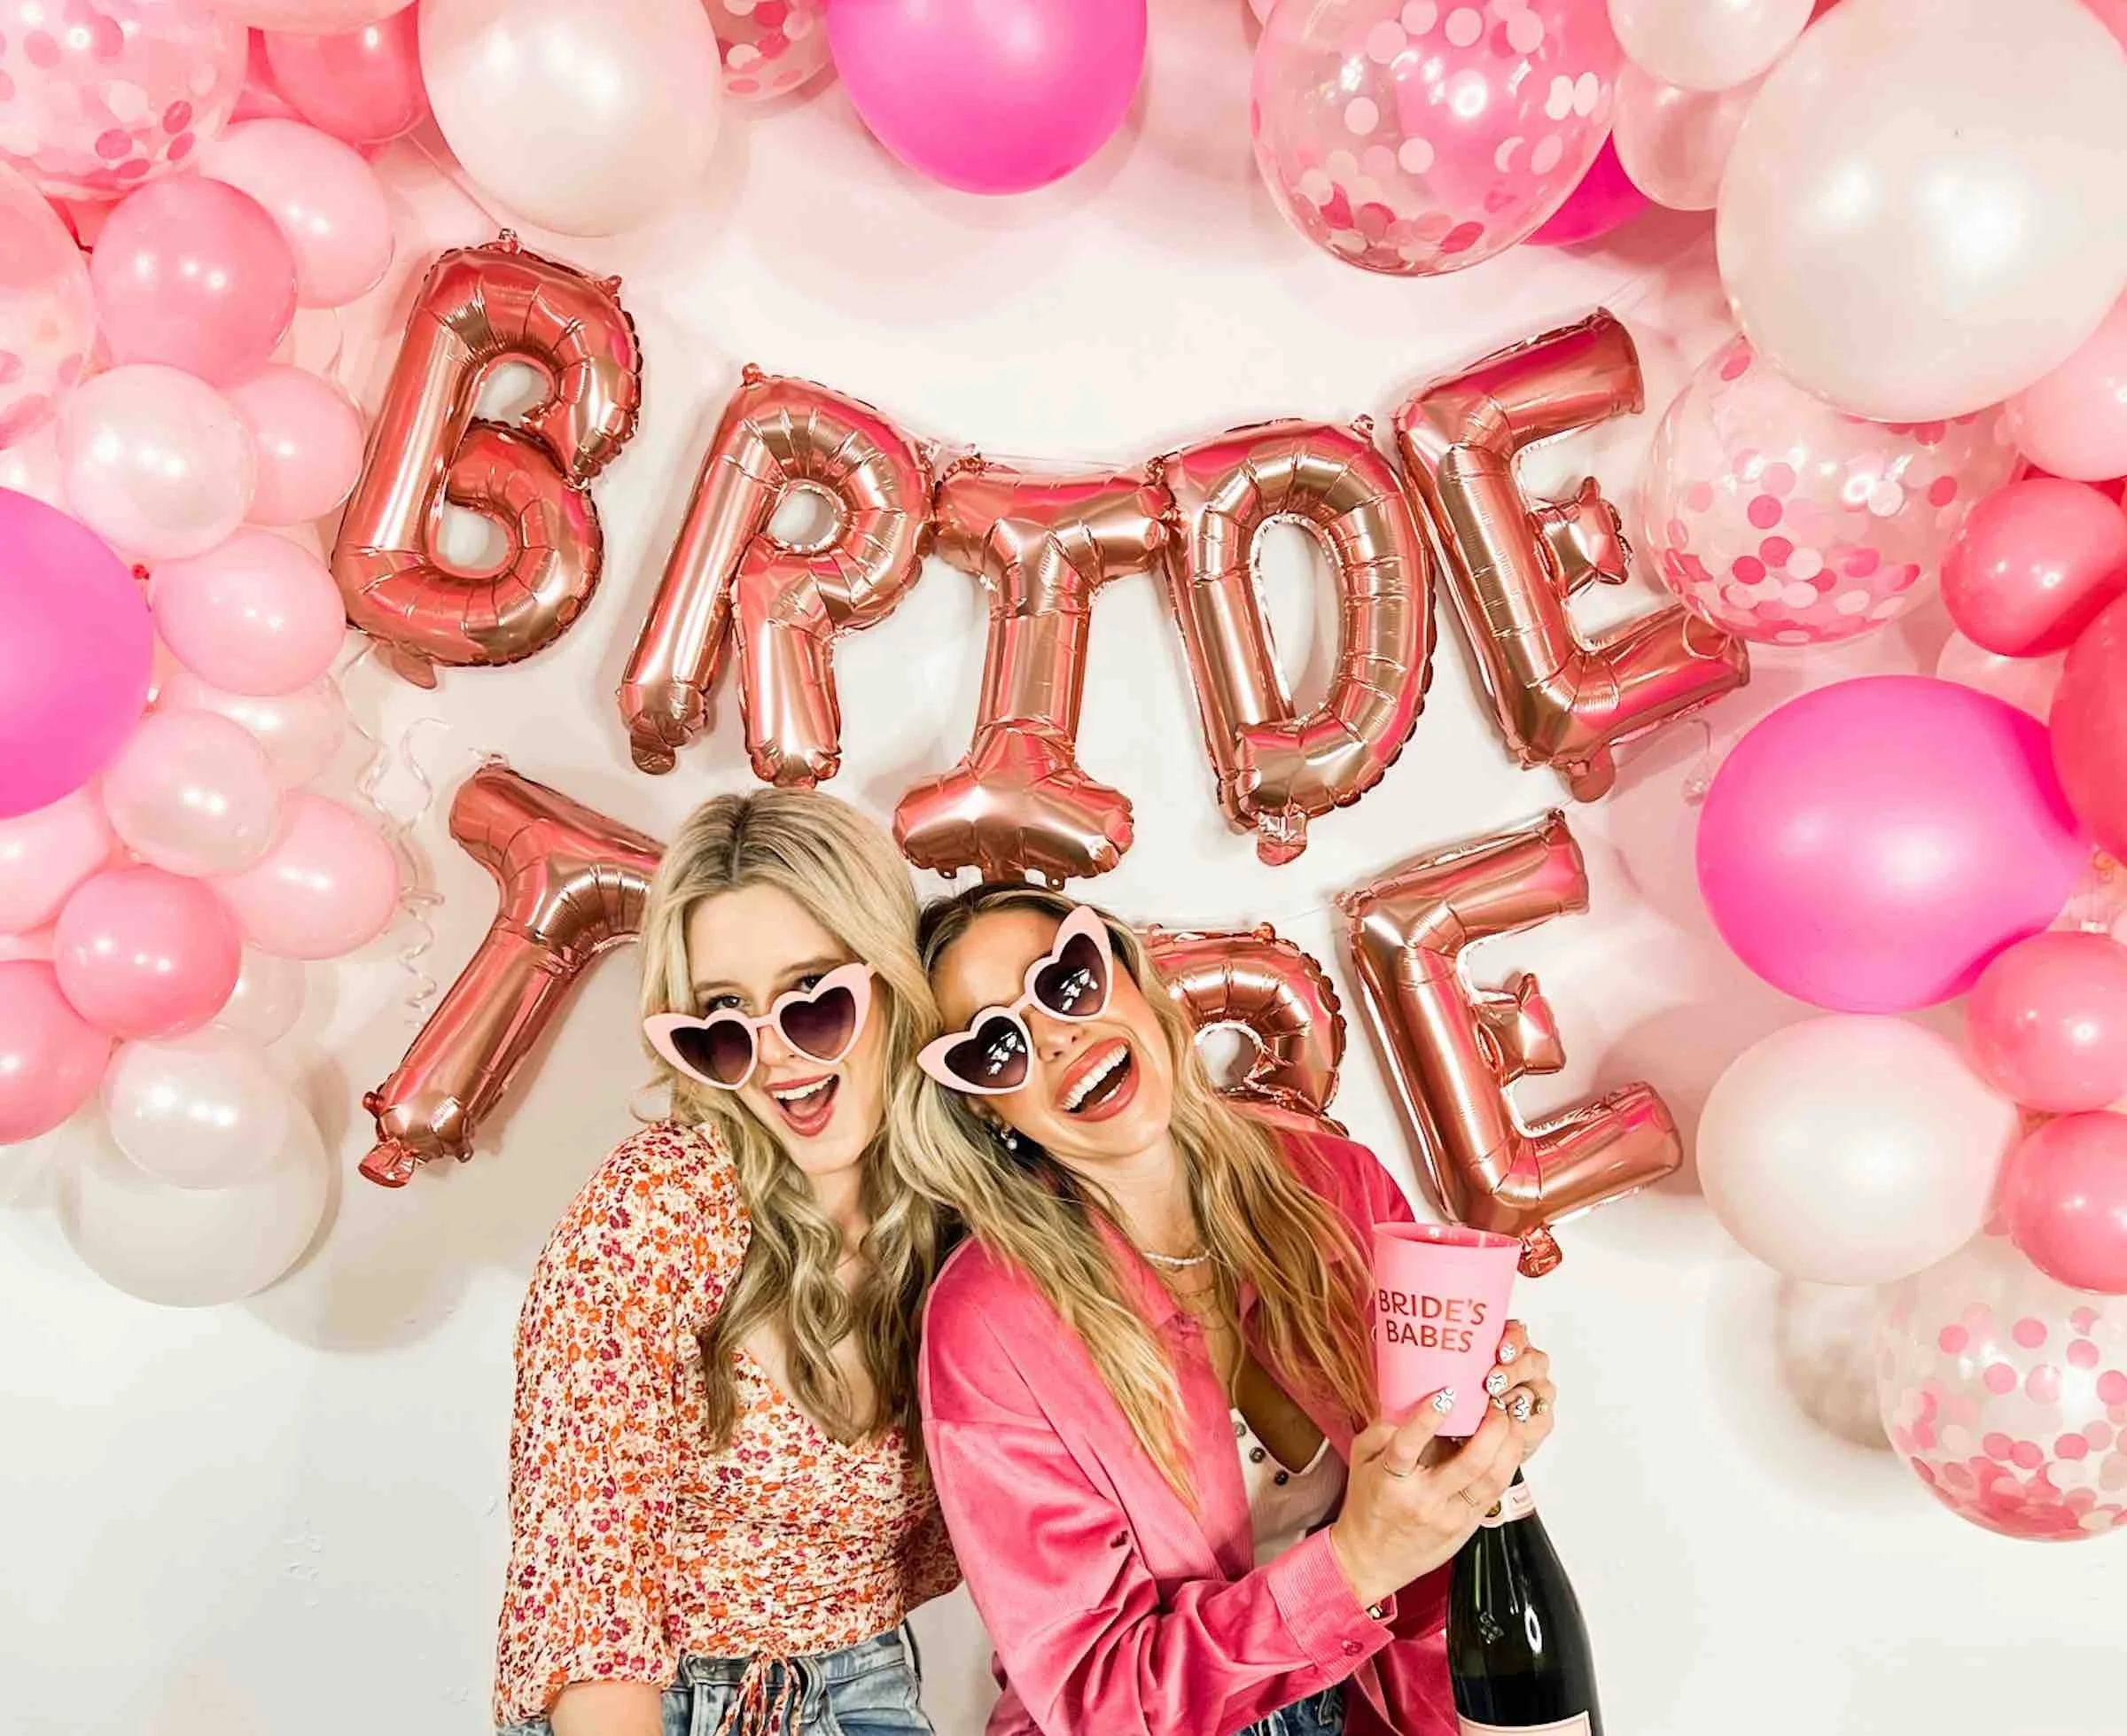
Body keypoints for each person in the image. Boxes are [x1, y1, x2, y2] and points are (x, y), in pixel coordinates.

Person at [908, 884, 1559, 1736]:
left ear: (1128, 972)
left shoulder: (1334, 1184)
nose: (1058, 1035)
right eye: (999, 1048)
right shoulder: (988, 1321)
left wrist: (1487, 1439)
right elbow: (1092, 1696)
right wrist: (1351, 1566)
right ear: (985, 1107)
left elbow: (1433, 1522)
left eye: (1066, 981)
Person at [494, 791, 959, 1736]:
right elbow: (587, 1587)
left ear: (893, 981)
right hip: (667, 1702)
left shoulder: (956, 1215)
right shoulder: (660, 1202)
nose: (776, 1056)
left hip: (872, 1688)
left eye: (815, 998)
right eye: (722, 1018)